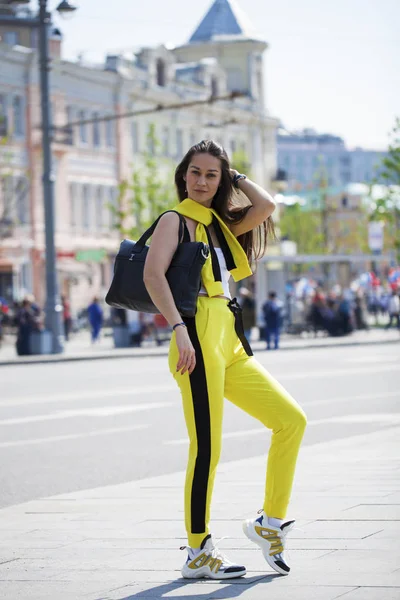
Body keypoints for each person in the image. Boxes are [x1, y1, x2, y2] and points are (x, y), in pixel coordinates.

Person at [143, 140, 307, 580]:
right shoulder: (174, 221)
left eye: (211, 175)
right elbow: (153, 274)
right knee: (208, 448)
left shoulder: (219, 224)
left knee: (291, 420)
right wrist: (179, 330)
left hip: (229, 338)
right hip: (194, 332)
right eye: (194, 172)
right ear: (183, 176)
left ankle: (268, 523)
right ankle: (198, 551)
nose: (201, 180)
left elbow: (267, 204)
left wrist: (234, 176)